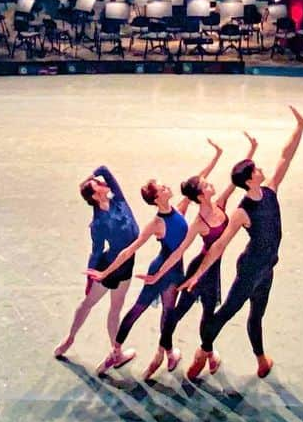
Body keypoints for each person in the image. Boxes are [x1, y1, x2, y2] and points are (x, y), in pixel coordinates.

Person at [184, 106, 303, 381]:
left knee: (257, 315)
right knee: (226, 312)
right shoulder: (242, 211)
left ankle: (261, 359)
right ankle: (202, 352)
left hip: (267, 267)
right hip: (250, 268)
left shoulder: (270, 189)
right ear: (249, 179)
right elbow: (219, 246)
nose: (261, 169)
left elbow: (285, 157)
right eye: (256, 169)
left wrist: (300, 128)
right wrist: (199, 273)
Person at [88, 141, 223, 374]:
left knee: (157, 312)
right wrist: (105, 272)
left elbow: (198, 180)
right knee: (147, 311)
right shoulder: (156, 223)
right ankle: (125, 352)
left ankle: (161, 354)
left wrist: (217, 156)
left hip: (168, 270)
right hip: (164, 270)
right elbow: (130, 249)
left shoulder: (179, 209)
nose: (167, 188)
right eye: (162, 188)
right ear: (157, 198)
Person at [135, 132, 259, 380]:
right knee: (177, 313)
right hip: (198, 271)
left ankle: (209, 354)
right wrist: (157, 275)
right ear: (201, 194)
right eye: (206, 185)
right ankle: (160, 353)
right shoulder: (199, 223)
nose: (211, 184)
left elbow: (236, 181)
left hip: (212, 273)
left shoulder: (221, 203)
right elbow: (180, 251)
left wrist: (251, 151)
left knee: (207, 315)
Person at [54, 165, 139, 363]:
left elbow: (104, 169)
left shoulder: (118, 199)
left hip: (127, 265)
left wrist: (87, 179)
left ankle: (116, 352)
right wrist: (90, 279)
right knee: (88, 303)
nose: (103, 183)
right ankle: (70, 338)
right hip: (109, 268)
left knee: (116, 309)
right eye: (98, 185)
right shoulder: (98, 223)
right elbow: (97, 251)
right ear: (94, 196)